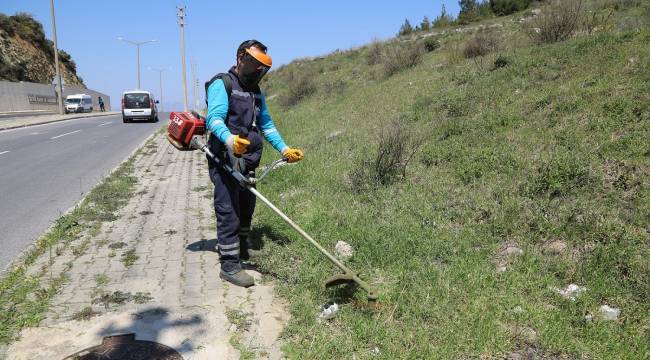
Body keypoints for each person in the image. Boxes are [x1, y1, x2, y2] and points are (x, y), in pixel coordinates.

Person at [205, 40, 304, 287]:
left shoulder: (256, 92)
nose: (257, 72)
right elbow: (213, 119)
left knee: (247, 207)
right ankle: (229, 266)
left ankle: (242, 249)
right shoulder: (223, 84)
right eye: (253, 65)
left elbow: (266, 125)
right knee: (229, 211)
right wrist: (229, 140)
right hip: (225, 159)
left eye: (261, 68)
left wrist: (285, 150)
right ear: (240, 58)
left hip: (247, 161)